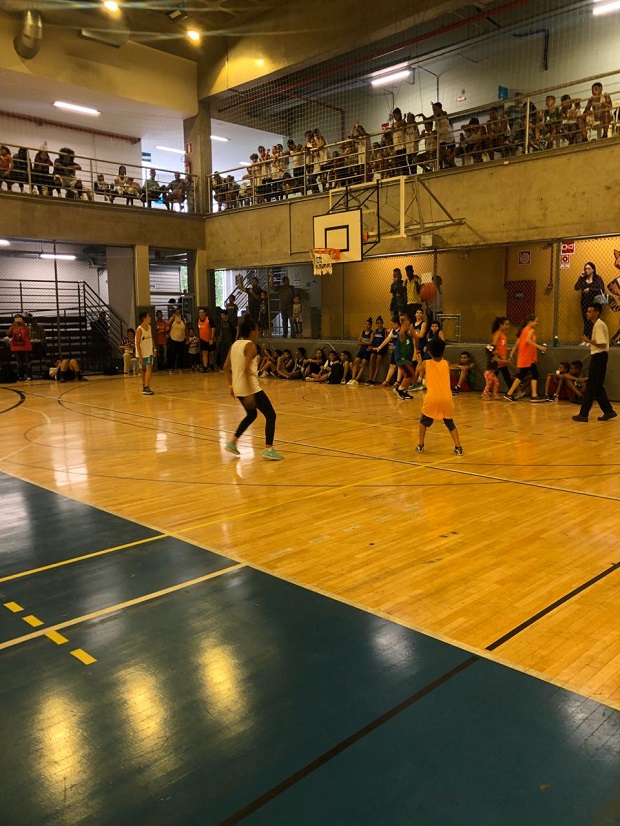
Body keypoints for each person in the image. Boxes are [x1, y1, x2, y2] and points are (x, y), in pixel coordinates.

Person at [223, 313, 283, 460]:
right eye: (257, 330)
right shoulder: (251, 346)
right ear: (251, 332)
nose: (258, 332)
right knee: (271, 415)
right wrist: (250, 393)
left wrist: (231, 386)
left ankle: (233, 442)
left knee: (252, 415)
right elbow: (244, 370)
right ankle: (269, 449)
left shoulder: (235, 344)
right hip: (250, 388)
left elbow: (225, 367)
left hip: (238, 388)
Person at [416, 337, 463, 455]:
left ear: (430, 351)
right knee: (450, 423)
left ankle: (420, 445)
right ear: (443, 351)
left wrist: (418, 361)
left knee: (423, 423)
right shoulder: (446, 363)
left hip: (432, 399)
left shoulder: (426, 363)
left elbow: (418, 371)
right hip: (447, 398)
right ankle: (458, 447)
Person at [572, 304, 617, 423]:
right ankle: (608, 411)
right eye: (587, 311)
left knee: (592, 385)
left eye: (590, 311)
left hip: (599, 357)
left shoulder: (599, 325)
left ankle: (583, 414)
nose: (587, 313)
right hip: (599, 357)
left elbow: (602, 344)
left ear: (596, 313)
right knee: (597, 386)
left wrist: (588, 341)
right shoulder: (598, 325)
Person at [504, 315, 547, 402]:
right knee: (525, 374)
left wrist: (511, 355)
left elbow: (517, 344)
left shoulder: (523, 331)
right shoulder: (530, 330)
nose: (537, 323)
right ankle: (510, 393)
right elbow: (527, 340)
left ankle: (533, 395)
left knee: (533, 373)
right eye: (535, 321)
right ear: (530, 321)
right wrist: (540, 347)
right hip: (527, 357)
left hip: (527, 357)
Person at [574, 262, 606, 339]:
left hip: (595, 302)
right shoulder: (583, 279)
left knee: (594, 321)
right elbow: (576, 287)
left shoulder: (597, 279)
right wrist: (580, 277)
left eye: (588, 269)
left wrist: (590, 290)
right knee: (586, 320)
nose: (586, 270)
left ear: (593, 270)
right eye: (585, 269)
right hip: (585, 302)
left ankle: (593, 338)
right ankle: (586, 338)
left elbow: (602, 289)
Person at [7, 313, 33, 381]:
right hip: (16, 346)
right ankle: (21, 375)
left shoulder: (25, 326)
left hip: (25, 347)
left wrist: (24, 325)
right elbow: (8, 333)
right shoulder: (13, 327)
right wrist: (12, 326)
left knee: (27, 362)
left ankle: (29, 375)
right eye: (16, 318)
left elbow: (28, 334)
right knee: (19, 362)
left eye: (19, 318)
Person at [269, 272, 295, 338]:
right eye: (286, 281)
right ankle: (285, 334)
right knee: (284, 321)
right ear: (283, 281)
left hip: (290, 306)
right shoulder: (280, 287)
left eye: (288, 280)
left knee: (291, 320)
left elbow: (295, 295)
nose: (287, 282)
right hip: (283, 307)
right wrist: (272, 277)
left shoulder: (291, 287)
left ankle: (293, 334)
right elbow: (271, 286)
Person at [135, 312, 156, 395]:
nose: (150, 318)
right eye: (148, 316)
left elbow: (151, 338)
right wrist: (140, 356)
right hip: (141, 353)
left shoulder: (149, 327)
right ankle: (144, 386)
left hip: (149, 352)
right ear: (144, 319)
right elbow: (137, 344)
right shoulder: (139, 329)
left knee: (149, 368)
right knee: (143, 370)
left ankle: (147, 386)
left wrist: (154, 348)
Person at [167, 308, 187, 372]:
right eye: (177, 312)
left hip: (182, 339)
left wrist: (187, 337)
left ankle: (180, 367)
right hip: (173, 339)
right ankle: (172, 367)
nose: (178, 313)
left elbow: (186, 328)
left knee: (181, 354)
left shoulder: (183, 319)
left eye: (179, 312)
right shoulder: (172, 319)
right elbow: (168, 324)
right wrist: (172, 318)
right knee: (173, 354)